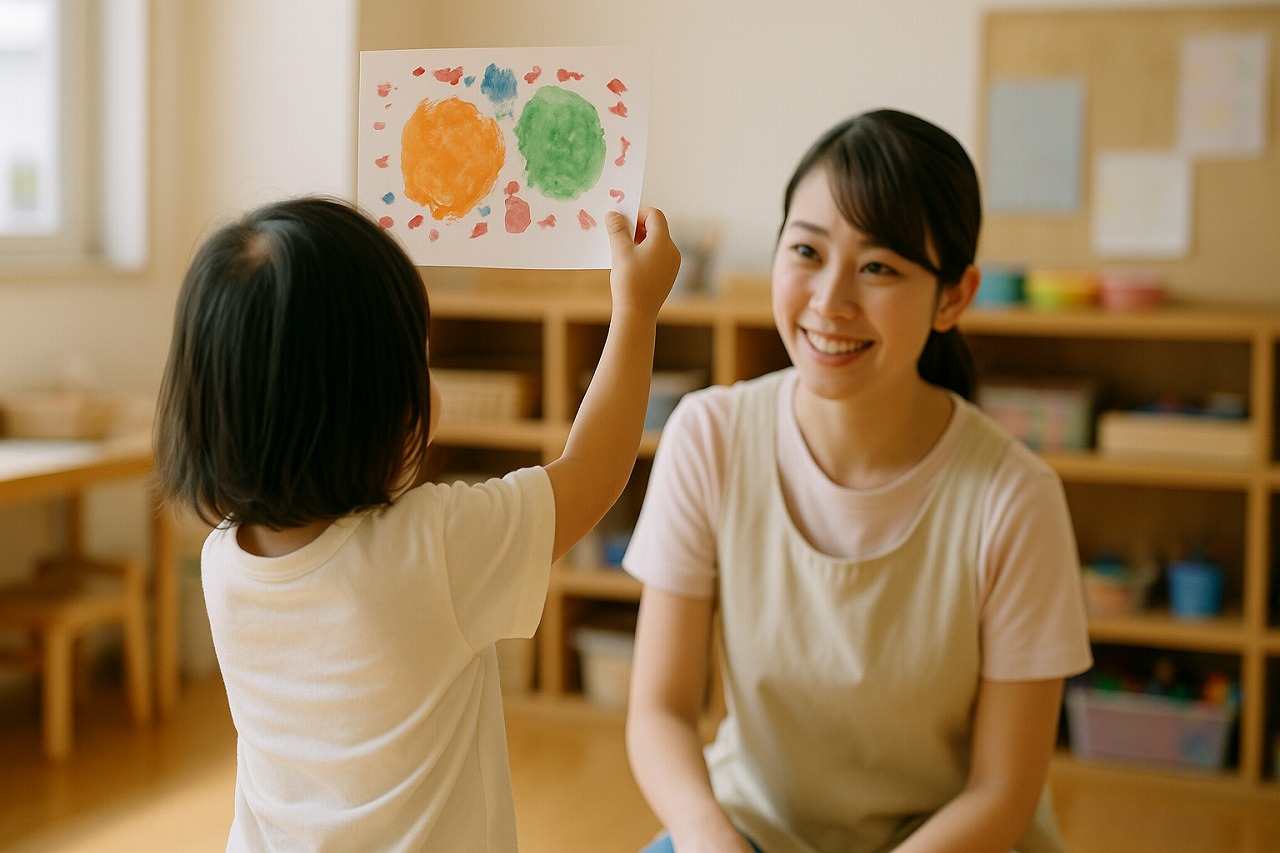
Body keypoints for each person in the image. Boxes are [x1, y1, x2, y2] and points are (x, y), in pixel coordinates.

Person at [623, 109, 1092, 853]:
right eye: (807, 250)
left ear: (954, 296)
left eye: (879, 267)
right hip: (753, 826)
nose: (830, 300)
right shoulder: (709, 436)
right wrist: (709, 834)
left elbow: (1003, 790)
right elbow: (659, 709)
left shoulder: (1014, 496)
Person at [153, 196, 679, 851]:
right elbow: (594, 470)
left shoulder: (224, 559)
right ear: (378, 411)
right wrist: (635, 311)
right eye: (418, 357)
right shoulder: (435, 548)